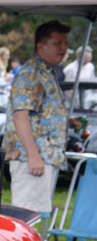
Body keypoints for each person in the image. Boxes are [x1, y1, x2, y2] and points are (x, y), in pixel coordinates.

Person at [5, 20, 78, 216]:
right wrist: (33, 155)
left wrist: (65, 122)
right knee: (26, 219)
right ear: (40, 46)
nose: (63, 49)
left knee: (36, 217)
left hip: (45, 157)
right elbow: (20, 116)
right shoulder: (31, 74)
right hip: (33, 159)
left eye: (65, 44)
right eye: (57, 44)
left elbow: (38, 113)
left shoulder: (49, 71)